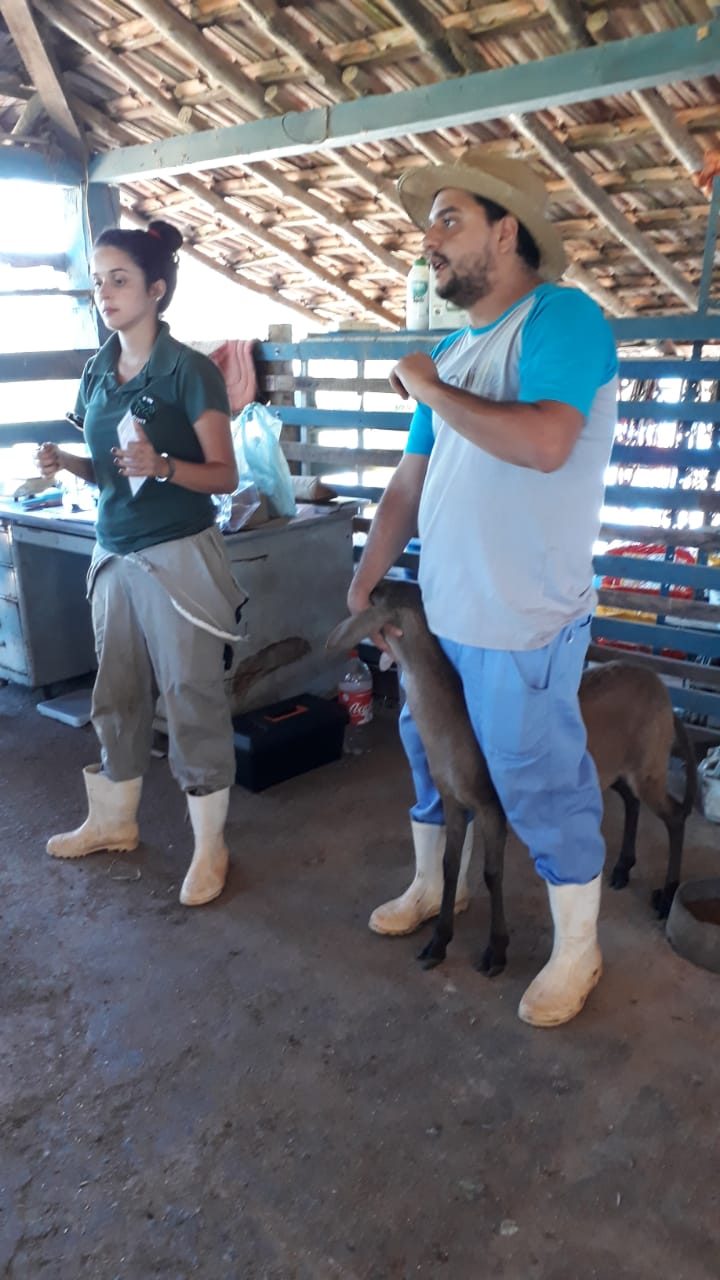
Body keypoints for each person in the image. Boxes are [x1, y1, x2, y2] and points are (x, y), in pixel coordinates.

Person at [348, 152, 619, 1027]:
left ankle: (578, 948)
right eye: (430, 223)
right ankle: (436, 886)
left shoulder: (563, 320)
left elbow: (546, 443)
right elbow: (408, 482)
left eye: (449, 218)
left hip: (523, 617)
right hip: (444, 612)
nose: (429, 239)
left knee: (539, 779)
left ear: (507, 230)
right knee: (432, 760)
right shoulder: (458, 350)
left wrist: (428, 383)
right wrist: (365, 579)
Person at [36, 219, 247, 907]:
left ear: (156, 289)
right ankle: (113, 820)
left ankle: (210, 845)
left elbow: (223, 476)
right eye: (98, 281)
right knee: (117, 693)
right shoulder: (100, 368)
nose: (105, 292)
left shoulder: (191, 370)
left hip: (178, 556)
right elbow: (109, 471)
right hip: (115, 554)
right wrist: (66, 463)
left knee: (191, 698)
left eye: (119, 280)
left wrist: (163, 465)